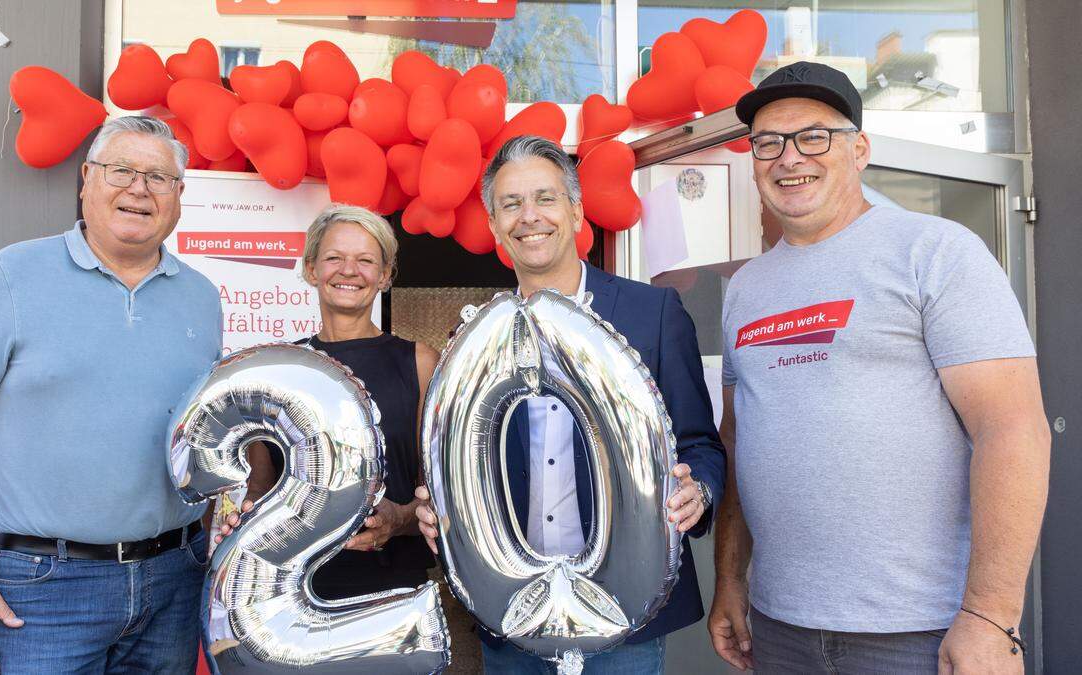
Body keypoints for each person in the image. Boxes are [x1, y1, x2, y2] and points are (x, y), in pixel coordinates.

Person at [708, 61, 1051, 674]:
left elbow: (1013, 429)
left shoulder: (935, 252)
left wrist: (991, 614)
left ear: (859, 150)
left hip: (920, 629)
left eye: (813, 137)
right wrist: (730, 580)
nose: (788, 158)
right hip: (780, 626)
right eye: (767, 143)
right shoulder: (746, 289)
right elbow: (739, 445)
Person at [0, 116, 221, 674]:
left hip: (174, 577)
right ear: (85, 179)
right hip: (42, 590)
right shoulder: (10, 278)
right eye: (121, 170)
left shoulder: (201, 298)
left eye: (158, 177)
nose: (138, 189)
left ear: (178, 196)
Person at [414, 135, 727, 673]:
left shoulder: (653, 312)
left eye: (545, 198)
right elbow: (458, 463)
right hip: (510, 614)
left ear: (577, 211)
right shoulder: (475, 340)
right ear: (494, 226)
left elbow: (700, 442)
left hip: (628, 613)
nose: (529, 216)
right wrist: (438, 508)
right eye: (511, 204)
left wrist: (698, 488)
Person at [219, 203, 440, 600]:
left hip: (393, 590)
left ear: (385, 275)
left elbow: (440, 491)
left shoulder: (420, 362)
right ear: (310, 269)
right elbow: (260, 487)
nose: (349, 270)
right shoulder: (278, 370)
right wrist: (243, 515)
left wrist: (399, 519)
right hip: (291, 589)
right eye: (334, 257)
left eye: (365, 260)